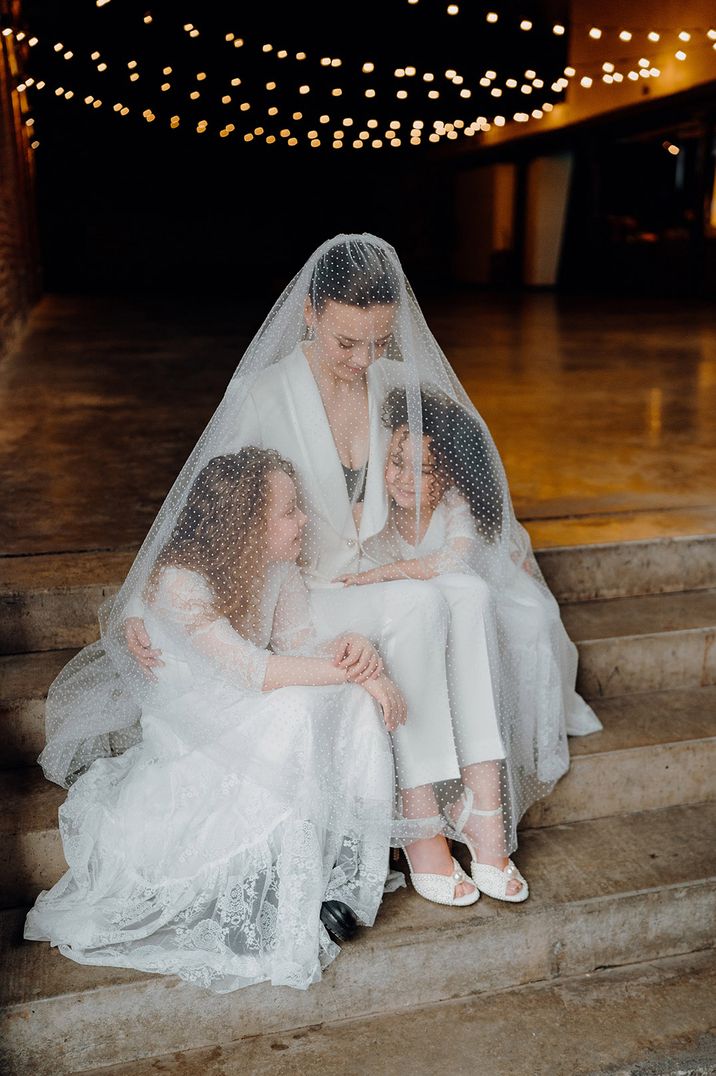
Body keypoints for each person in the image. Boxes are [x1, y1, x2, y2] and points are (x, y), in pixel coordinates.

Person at [60, 232, 599, 912]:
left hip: (377, 571)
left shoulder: (397, 386)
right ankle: (422, 823)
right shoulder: (262, 394)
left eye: (378, 342)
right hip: (309, 592)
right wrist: (141, 597)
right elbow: (202, 503)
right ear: (310, 312)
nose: (362, 360)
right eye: (348, 342)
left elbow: (460, 463)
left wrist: (503, 535)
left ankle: (481, 809)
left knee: (463, 590)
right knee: (424, 606)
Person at [25, 448, 407, 991]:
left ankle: (342, 863)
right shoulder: (180, 582)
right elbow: (254, 670)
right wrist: (363, 674)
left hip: (246, 711)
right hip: (194, 738)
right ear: (247, 524)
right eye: (289, 511)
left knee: (336, 701)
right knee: (299, 707)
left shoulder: (278, 567)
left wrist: (352, 650)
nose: (304, 520)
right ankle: (280, 882)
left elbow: (300, 646)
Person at [338, 385, 602, 897]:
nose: (404, 480)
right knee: (438, 611)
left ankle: (480, 808)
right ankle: (451, 812)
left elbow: (451, 560)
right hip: (423, 614)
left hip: (477, 600)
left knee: (474, 597)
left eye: (424, 470)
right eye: (396, 462)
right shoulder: (371, 505)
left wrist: (386, 573)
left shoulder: (457, 506)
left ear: (451, 472)